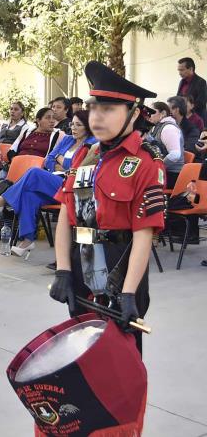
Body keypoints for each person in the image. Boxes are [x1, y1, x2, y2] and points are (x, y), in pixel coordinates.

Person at [49, 60, 166, 355]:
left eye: (109, 109)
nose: (97, 117)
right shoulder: (84, 156)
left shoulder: (145, 161)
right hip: (81, 263)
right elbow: (66, 214)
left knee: (120, 360)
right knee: (84, 354)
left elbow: (143, 233)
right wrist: (63, 270)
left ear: (134, 113)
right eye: (94, 108)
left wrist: (128, 294)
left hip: (121, 265)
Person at [0, 110, 96, 257]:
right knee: (28, 194)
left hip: (71, 186)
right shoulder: (68, 140)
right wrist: (62, 163)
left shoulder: (92, 144)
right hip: (55, 183)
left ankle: (1, 201)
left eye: (79, 125)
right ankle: (27, 240)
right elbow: (48, 160)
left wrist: (61, 161)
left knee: (34, 172)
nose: (73, 128)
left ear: (88, 127)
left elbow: (76, 167)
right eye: (73, 124)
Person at [147, 100, 183, 188]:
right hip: (165, 172)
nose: (149, 115)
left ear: (162, 113)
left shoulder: (168, 128)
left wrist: (158, 168)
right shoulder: (157, 126)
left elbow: (175, 155)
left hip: (172, 175)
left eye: (152, 112)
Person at [177, 57, 207, 121]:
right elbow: (178, 98)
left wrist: (185, 110)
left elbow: (201, 103)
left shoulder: (201, 82)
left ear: (191, 69)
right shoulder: (182, 82)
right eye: (178, 70)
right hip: (184, 119)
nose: (179, 73)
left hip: (198, 120)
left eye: (182, 70)